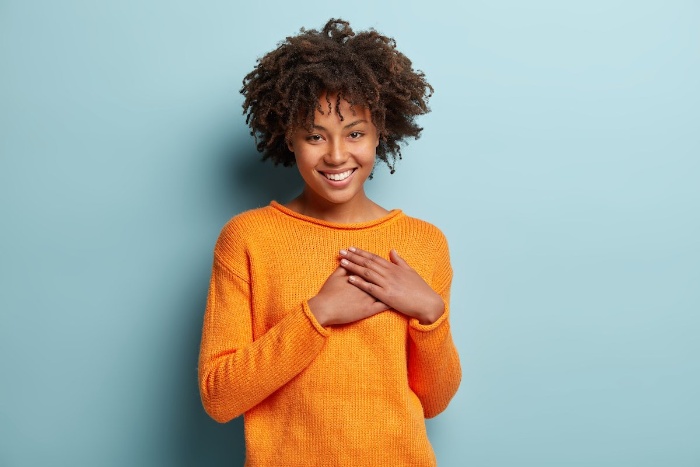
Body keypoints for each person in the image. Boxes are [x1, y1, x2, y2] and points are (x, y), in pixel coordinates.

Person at [198, 18, 461, 467]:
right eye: (315, 136)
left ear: (381, 133)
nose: (337, 155)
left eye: (355, 133)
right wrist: (317, 314)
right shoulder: (248, 238)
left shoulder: (423, 242)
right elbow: (220, 397)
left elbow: (434, 402)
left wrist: (430, 314)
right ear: (290, 138)